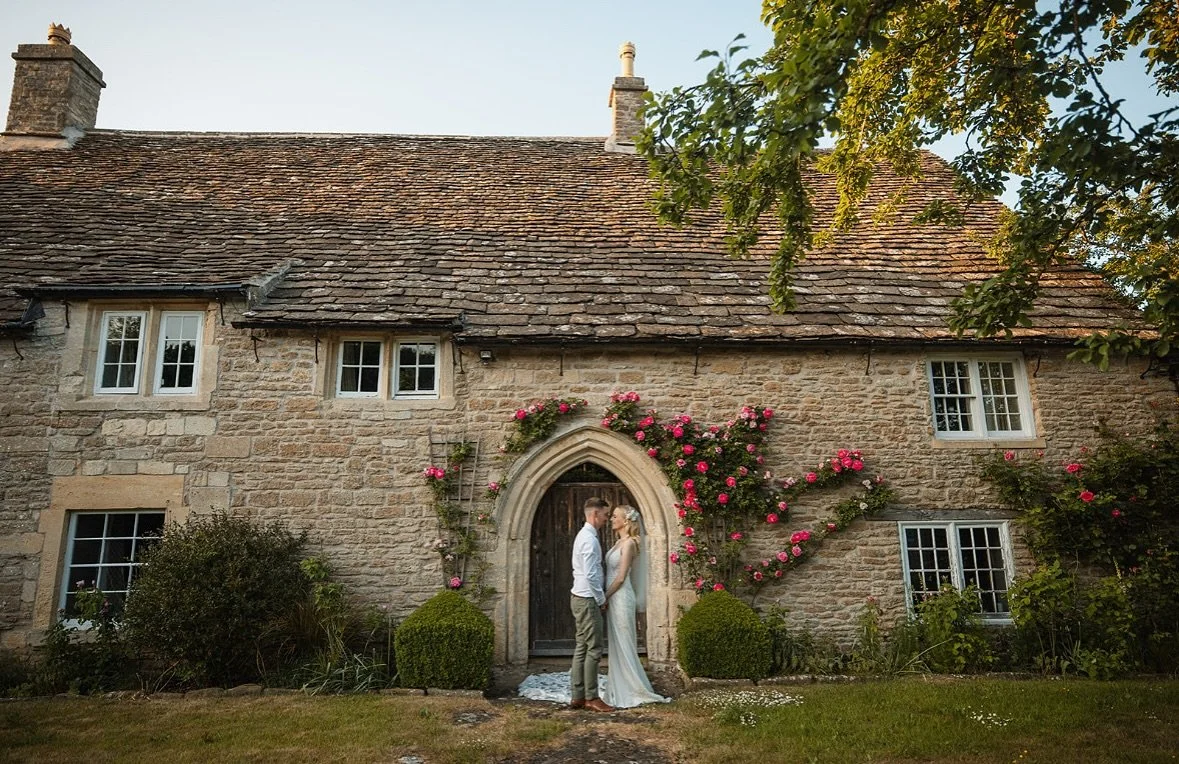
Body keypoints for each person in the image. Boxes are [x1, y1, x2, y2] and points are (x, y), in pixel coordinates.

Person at [602, 505, 669, 708]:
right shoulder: (618, 542)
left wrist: (604, 596)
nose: (611, 519)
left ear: (626, 521)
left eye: (615, 516)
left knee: (624, 640)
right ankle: (618, 682)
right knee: (616, 641)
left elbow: (621, 577)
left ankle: (632, 686)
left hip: (621, 597)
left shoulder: (630, 543)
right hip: (614, 597)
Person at [568, 496, 613, 712]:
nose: (607, 519)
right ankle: (591, 697)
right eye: (605, 515)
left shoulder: (585, 536)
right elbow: (591, 574)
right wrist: (601, 599)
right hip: (587, 599)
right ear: (595, 514)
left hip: (580, 597)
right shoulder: (589, 539)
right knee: (594, 648)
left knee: (582, 647)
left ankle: (578, 695)